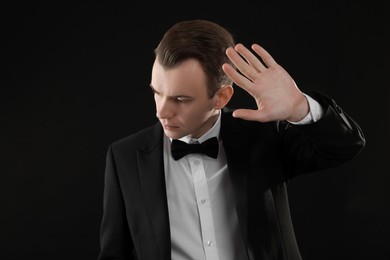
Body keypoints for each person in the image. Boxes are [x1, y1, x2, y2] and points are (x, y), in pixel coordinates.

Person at [97, 19, 365, 260]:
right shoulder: (124, 157)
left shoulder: (264, 136)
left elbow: (345, 146)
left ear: (222, 97)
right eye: (157, 92)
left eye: (181, 99)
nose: (161, 111)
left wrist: (299, 108)